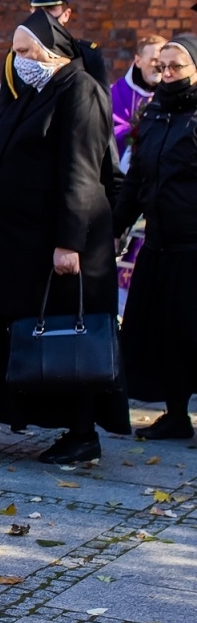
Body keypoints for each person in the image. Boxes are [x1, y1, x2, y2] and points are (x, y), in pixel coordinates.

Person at [0, 11, 129, 464]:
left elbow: (80, 170)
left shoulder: (80, 91)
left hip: (52, 244)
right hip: (12, 243)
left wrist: (69, 242)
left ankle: (81, 433)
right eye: (15, 53)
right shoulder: (38, 90)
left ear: (51, 51)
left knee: (65, 338)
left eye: (24, 52)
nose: (17, 62)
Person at [112, 34, 197, 439]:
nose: (166, 74)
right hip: (160, 242)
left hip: (194, 247)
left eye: (175, 66)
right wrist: (116, 226)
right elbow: (137, 180)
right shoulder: (153, 113)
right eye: (160, 67)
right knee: (164, 333)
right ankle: (176, 414)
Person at [24, 0, 108, 90]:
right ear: (31, 12)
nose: (43, 16)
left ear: (66, 15)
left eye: (50, 9)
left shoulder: (88, 55)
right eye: (38, 9)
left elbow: (102, 103)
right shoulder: (18, 57)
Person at [110, 35, 166, 164]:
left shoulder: (172, 94)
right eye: (153, 60)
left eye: (162, 61)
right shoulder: (115, 93)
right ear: (138, 61)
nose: (158, 66)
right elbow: (106, 132)